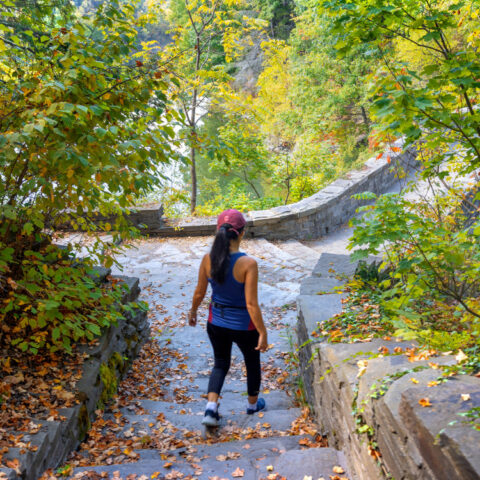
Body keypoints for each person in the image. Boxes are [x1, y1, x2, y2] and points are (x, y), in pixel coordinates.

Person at [188, 209, 268, 426]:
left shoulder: (207, 259)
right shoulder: (248, 264)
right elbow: (251, 304)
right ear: (242, 233)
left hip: (216, 322)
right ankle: (252, 406)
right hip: (244, 326)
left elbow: (199, 293)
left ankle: (211, 409)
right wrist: (262, 332)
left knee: (220, 363)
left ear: (218, 231)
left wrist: (193, 311)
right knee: (252, 362)